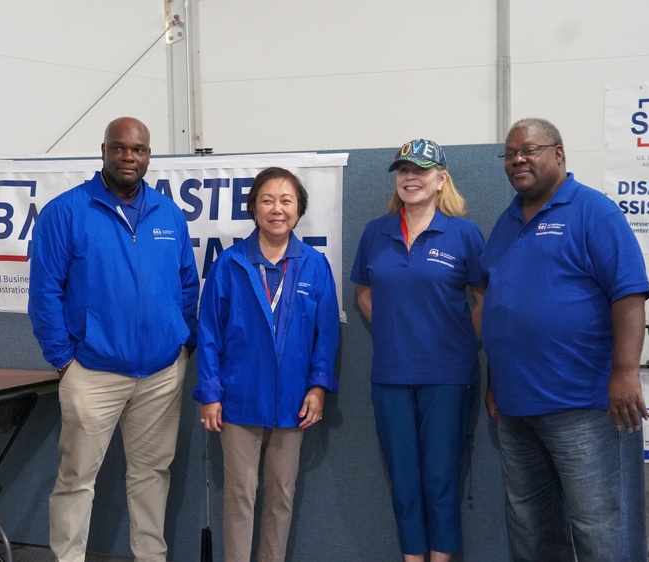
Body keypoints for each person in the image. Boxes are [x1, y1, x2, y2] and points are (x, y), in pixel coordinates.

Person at [28, 116, 199, 562]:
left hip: (161, 374)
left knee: (152, 474)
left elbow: (186, 285)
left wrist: (180, 344)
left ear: (149, 155)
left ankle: (151, 557)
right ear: (103, 150)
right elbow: (44, 292)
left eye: (138, 150)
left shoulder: (168, 213)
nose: (129, 157)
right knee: (76, 480)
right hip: (93, 373)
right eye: (119, 148)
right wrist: (65, 361)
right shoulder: (66, 212)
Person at [481, 118, 649, 562]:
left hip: (584, 404)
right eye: (511, 153)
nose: (518, 158)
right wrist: (495, 380)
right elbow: (501, 308)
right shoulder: (505, 223)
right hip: (518, 409)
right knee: (530, 526)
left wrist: (626, 371)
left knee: (600, 527)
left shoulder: (594, 212)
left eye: (530, 149)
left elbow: (629, 294)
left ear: (558, 153)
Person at [193, 166, 339, 562]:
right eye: (268, 200)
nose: (277, 209)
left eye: (286, 201)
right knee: (240, 496)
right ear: (254, 208)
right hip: (239, 399)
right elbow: (208, 333)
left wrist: (318, 387)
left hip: (294, 401)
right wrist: (210, 394)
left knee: (281, 496)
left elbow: (326, 335)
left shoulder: (314, 265)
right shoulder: (230, 264)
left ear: (299, 210)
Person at [350, 139, 485, 562]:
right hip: (390, 375)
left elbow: (483, 300)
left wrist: (458, 339)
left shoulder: (464, 233)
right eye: (404, 170)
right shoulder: (376, 231)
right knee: (404, 482)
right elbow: (364, 294)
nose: (411, 177)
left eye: (422, 170)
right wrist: (396, 330)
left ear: (441, 178)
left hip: (447, 376)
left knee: (441, 479)